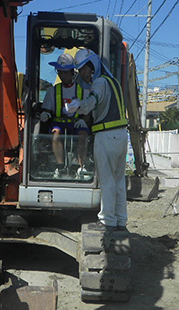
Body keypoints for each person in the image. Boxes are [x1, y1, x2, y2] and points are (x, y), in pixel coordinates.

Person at [70, 48, 129, 231]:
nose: (82, 74)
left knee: (107, 181)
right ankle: (120, 220)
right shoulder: (113, 82)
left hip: (106, 135)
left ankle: (106, 221)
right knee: (119, 180)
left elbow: (91, 103)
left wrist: (78, 106)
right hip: (120, 136)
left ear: (92, 66)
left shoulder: (99, 83)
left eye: (83, 69)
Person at [40, 53, 89, 179]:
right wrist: (45, 113)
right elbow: (47, 109)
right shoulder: (53, 91)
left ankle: (80, 166)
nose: (62, 75)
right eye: (60, 72)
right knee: (56, 134)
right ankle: (59, 165)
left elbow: (89, 108)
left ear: (72, 72)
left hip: (77, 121)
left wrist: (84, 120)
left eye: (65, 72)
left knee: (82, 135)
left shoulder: (82, 90)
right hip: (59, 121)